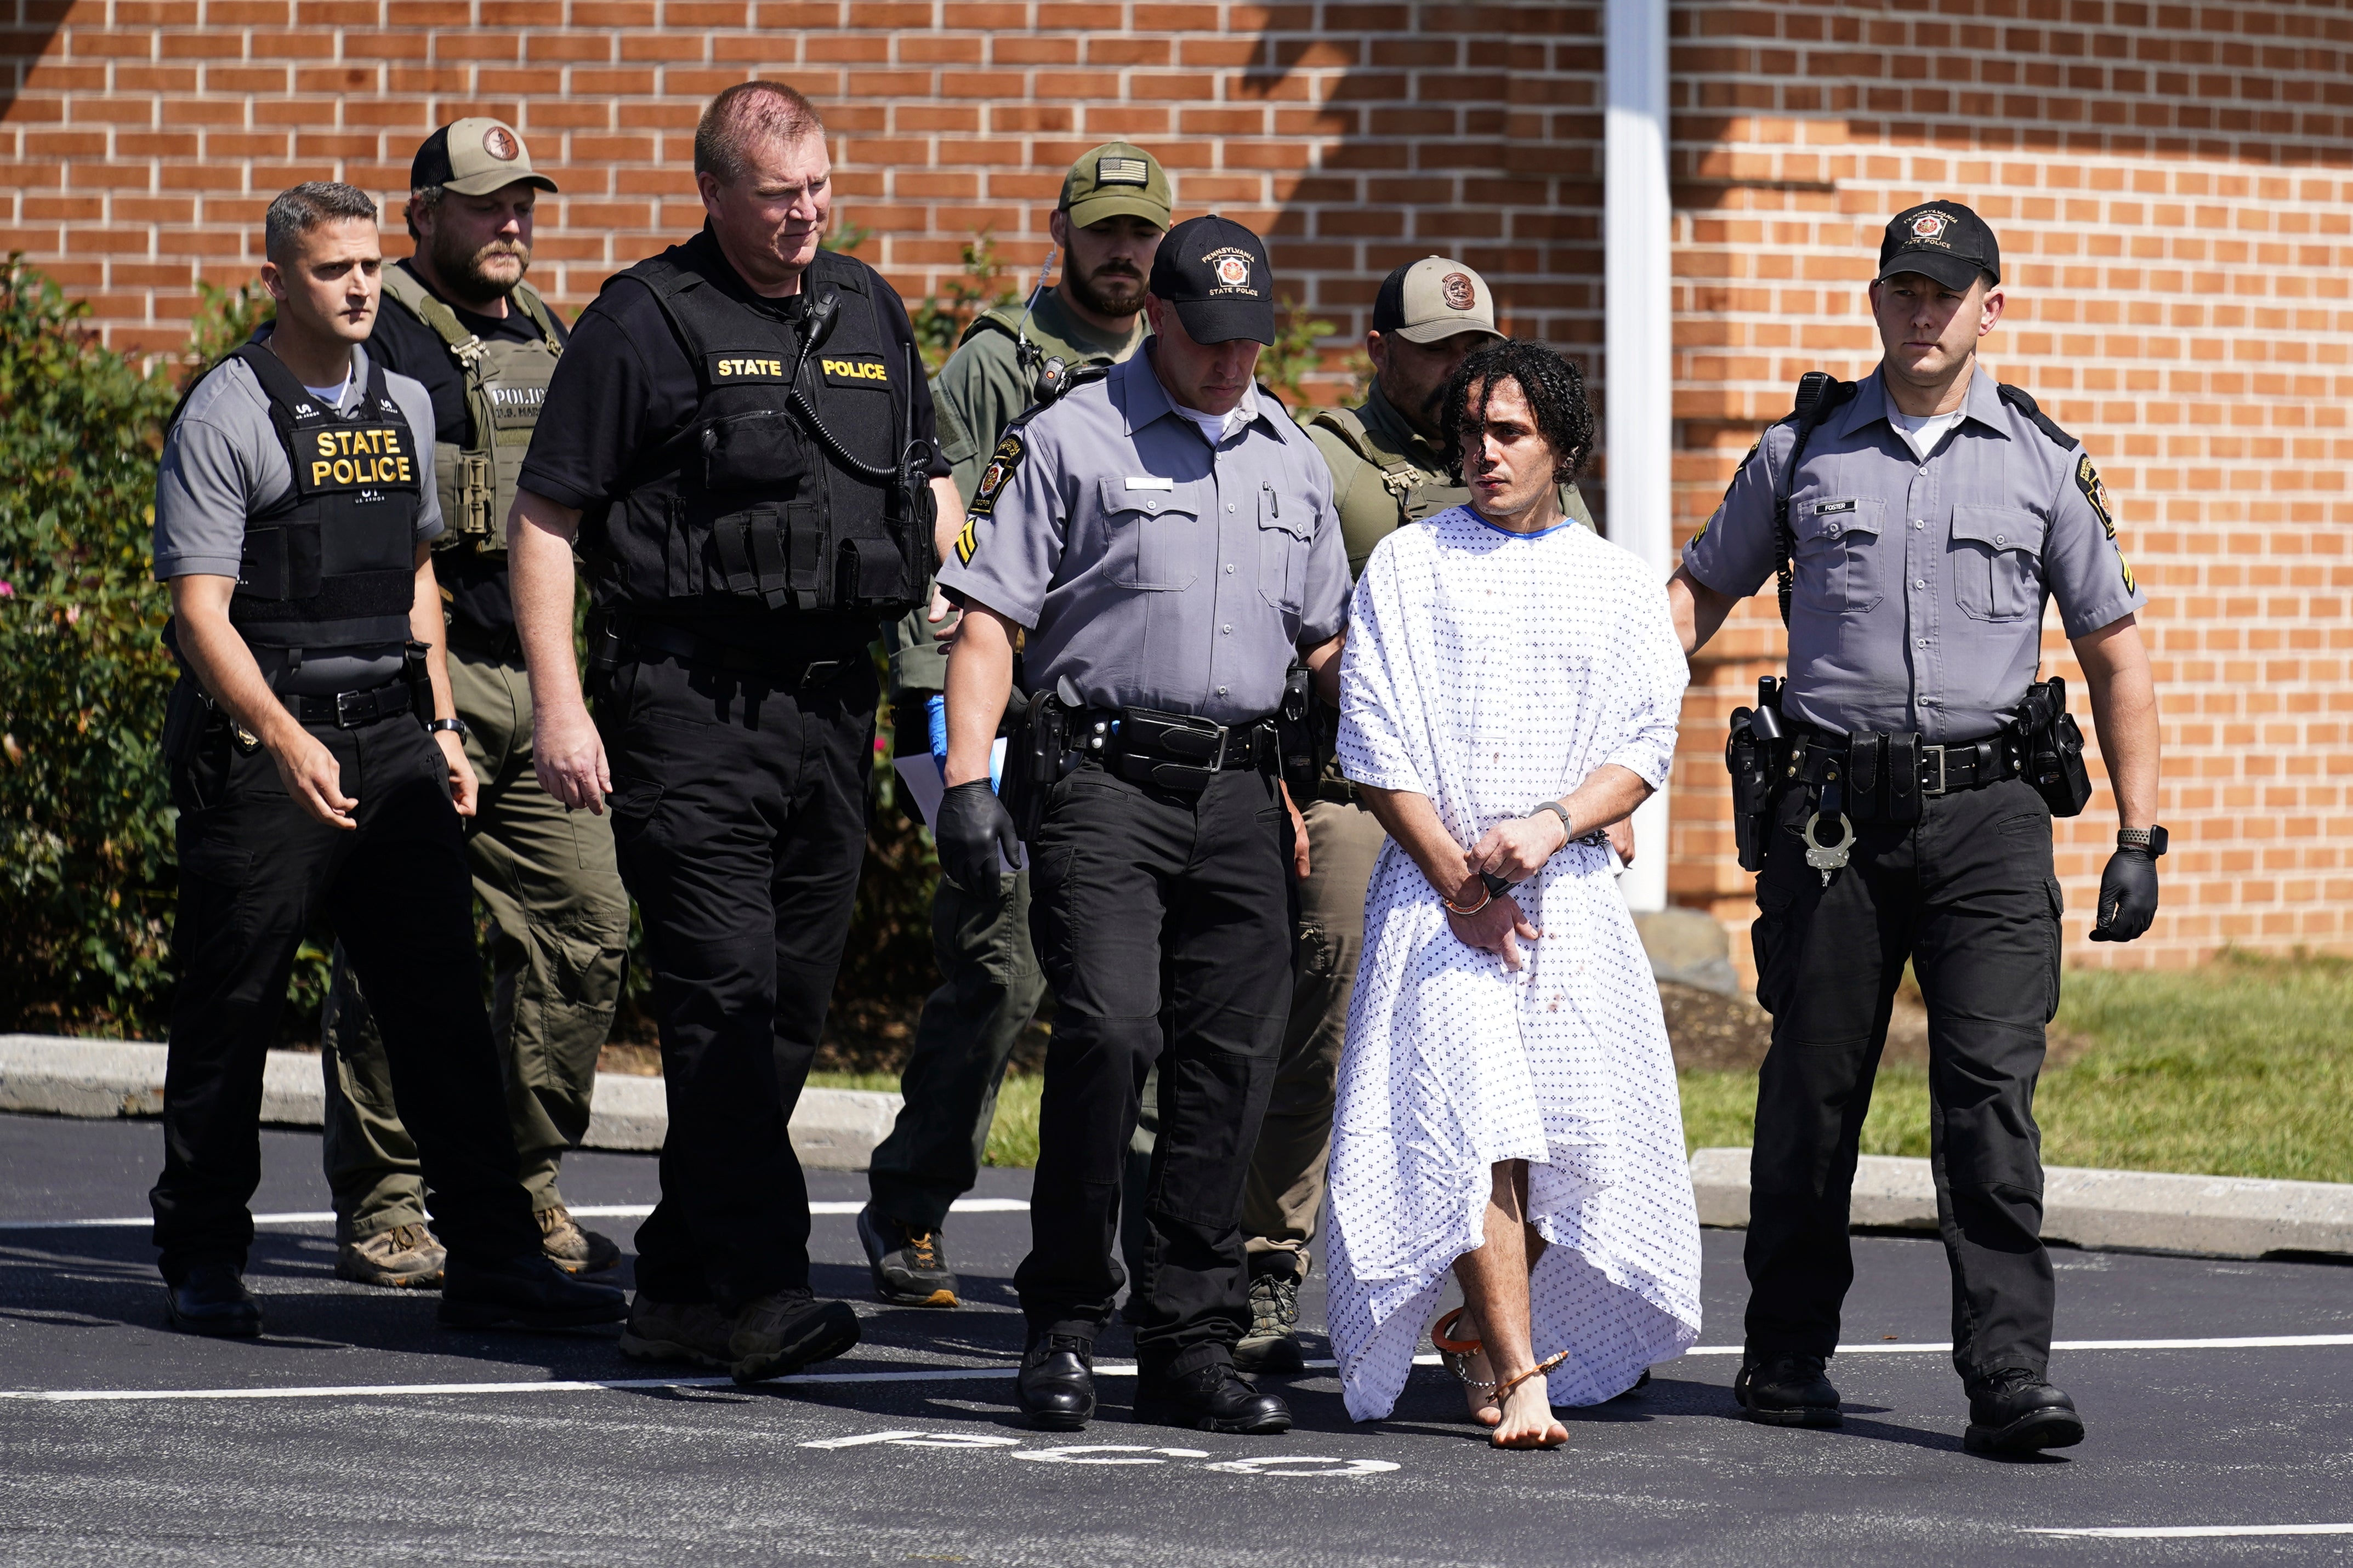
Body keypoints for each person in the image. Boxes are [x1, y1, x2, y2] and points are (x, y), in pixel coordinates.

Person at [1672, 200, 2162, 1456]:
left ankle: (2007, 1379)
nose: (1922, 311)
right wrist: (1594, 739)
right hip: (1830, 813)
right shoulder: (1802, 452)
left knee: (1987, 1097)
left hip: (1991, 818)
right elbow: (1694, 597)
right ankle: (1782, 1356)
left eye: (1947, 292)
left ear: (1990, 306)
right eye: (1903, 288)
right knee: (1810, 1095)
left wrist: (2138, 834)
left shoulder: (2043, 459)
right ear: (1876, 300)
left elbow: (2111, 648)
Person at [509, 83, 959, 1384]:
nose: (808, 211)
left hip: (831, 711)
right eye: (780, 195)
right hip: (686, 708)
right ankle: (765, 1291)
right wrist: (559, 704)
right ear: (713, 194)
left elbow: (923, 475)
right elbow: (546, 519)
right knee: (720, 1000)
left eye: (821, 185)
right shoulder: (642, 323)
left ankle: (674, 1284)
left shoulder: (867, 307)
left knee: (787, 1016)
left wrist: (948, 563)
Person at [146, 181, 626, 1339]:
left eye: (368, 265)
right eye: (331, 270)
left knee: (441, 1009)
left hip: (395, 738)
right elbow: (201, 612)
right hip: (268, 749)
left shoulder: (403, 402)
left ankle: (497, 1259)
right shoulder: (228, 410)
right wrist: (282, 735)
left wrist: (446, 726)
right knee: (231, 1006)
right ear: (278, 282)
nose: (360, 286)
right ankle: (204, 1256)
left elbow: (416, 581)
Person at [934, 214, 1350, 1435]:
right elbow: (988, 624)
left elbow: (1325, 646)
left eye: (1250, 341)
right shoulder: (1067, 438)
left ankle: (1189, 1340)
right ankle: (1063, 1321)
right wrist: (967, 782)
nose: (1231, 362)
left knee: (1230, 1064)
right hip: (1101, 782)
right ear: (1157, 317)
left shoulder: (1291, 459)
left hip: (1240, 791)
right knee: (1111, 1034)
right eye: (1209, 337)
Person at [1235, 254, 1625, 1373]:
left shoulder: (1531, 452)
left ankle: (1497, 1302)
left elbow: (1588, 622)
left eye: (1475, 349)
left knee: (1558, 1048)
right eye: (1436, 350)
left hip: (1525, 815)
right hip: (1362, 790)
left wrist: (1603, 805)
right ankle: (1270, 1260)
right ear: (1379, 350)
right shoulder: (1320, 459)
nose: (1462, 373)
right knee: (1333, 998)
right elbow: (1267, 624)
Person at [1324, 339, 1703, 1447]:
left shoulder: (1621, 583)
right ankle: (1522, 1374)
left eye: (1510, 434)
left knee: (1581, 1138)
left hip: (1569, 894)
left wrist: (1549, 827)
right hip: (1437, 903)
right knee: (1477, 1128)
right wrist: (1460, 885)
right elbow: (1375, 742)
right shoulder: (1408, 563)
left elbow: (1641, 748)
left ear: (1564, 449)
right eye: (1469, 435)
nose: (1482, 455)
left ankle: (1482, 1333)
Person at [318, 117, 631, 1292]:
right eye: (487, 204)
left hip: (540, 679)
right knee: (404, 946)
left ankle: (520, 1182)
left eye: (524, 203)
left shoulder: (550, 331)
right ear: (424, 214)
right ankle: (390, 1200)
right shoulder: (374, 325)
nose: (512, 223)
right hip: (413, 681)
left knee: (586, 926)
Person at [860, 142, 1172, 1310]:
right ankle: (909, 1206)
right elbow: (934, 536)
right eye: (1104, 230)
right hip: (980, 696)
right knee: (999, 964)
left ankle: (1134, 1248)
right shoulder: (999, 364)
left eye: (1143, 232)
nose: (1124, 252)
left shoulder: (1180, 361)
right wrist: (941, 730)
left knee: (1134, 979)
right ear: (1061, 231)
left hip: (1114, 715)